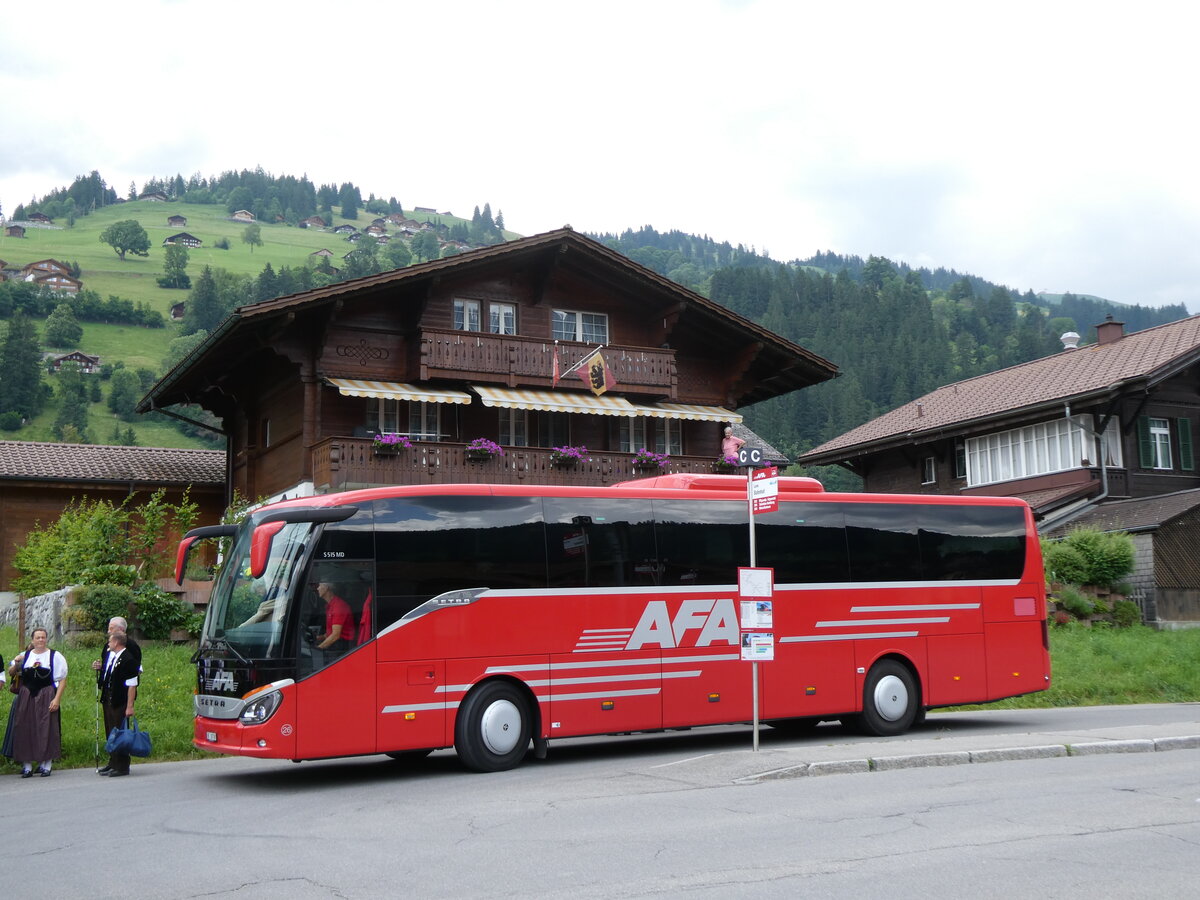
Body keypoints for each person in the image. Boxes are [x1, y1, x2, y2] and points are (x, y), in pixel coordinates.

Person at [6, 628, 68, 777]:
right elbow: (11, 673)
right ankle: (27, 766)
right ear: (32, 640)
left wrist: (57, 699)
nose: (40, 640)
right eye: (38, 638)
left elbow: (62, 679)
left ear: (46, 639)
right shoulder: (25, 655)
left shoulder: (55, 656)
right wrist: (16, 664)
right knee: (24, 727)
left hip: (46, 694)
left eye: (43, 637)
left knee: (46, 728)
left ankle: (46, 764)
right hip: (27, 695)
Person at [98, 631, 139, 777]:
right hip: (110, 698)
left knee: (120, 732)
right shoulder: (113, 657)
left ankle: (122, 765)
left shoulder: (128, 659)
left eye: (110, 641)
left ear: (116, 642)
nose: (108, 644)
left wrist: (129, 706)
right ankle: (113, 762)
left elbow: (132, 685)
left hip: (120, 701)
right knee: (111, 731)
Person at [315, 582, 355, 653]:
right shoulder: (329, 606)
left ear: (326, 588)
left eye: (319, 585)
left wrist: (318, 649)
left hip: (342, 646)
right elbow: (331, 632)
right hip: (336, 643)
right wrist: (319, 638)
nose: (317, 588)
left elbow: (335, 635)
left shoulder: (339, 606)